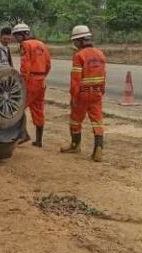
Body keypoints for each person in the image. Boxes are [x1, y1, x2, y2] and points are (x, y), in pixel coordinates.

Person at [60, 25, 107, 162]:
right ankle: (98, 149)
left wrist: (73, 97)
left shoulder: (79, 56)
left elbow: (75, 80)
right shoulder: (100, 54)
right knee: (97, 121)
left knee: (75, 120)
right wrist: (101, 90)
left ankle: (75, 145)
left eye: (75, 41)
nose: (74, 44)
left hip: (82, 94)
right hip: (97, 93)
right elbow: (104, 75)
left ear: (80, 41)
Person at [12, 23, 51, 147]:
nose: (16, 40)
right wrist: (42, 76)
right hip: (42, 81)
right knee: (38, 109)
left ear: (23, 34)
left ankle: (22, 135)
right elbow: (48, 64)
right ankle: (39, 140)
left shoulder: (25, 45)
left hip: (31, 81)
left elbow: (25, 65)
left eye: (17, 36)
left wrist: (23, 81)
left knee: (17, 108)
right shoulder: (41, 44)